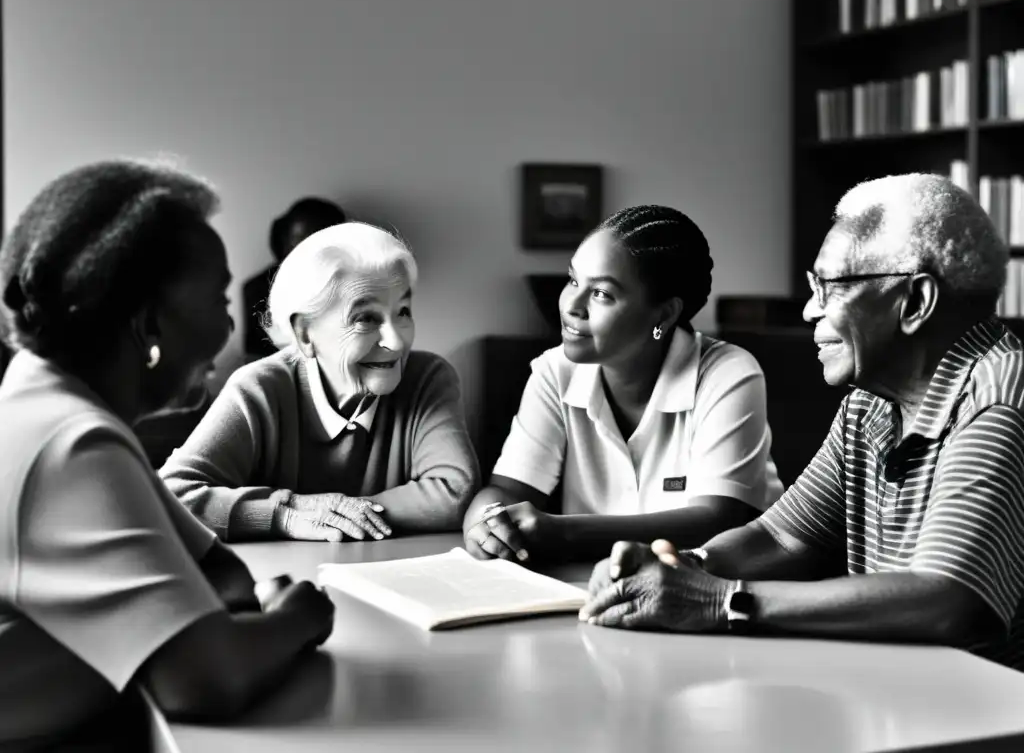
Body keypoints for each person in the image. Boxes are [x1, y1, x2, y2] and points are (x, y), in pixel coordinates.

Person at [581, 174, 1024, 672]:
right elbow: (781, 537)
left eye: (831, 287)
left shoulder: (999, 400)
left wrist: (719, 600)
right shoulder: (869, 405)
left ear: (916, 302)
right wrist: (682, 565)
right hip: (903, 697)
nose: (810, 310)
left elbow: (948, 599)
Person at [0, 160, 335, 750]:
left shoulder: (49, 398)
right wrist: (300, 618)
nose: (231, 326)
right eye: (216, 299)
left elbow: (222, 577)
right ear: (149, 322)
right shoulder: (71, 440)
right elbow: (203, 680)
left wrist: (222, 618)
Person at [462, 205, 784, 565]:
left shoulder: (729, 373)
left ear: (663, 314)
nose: (572, 306)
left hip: (715, 590)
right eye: (572, 281)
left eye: (601, 293)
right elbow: (507, 489)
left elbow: (718, 520)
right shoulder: (555, 371)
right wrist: (489, 524)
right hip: (589, 589)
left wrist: (563, 532)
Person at [160, 222, 480, 542]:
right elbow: (171, 498)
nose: (396, 342)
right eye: (366, 318)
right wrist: (285, 514)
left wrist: (344, 513)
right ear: (305, 334)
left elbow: (455, 492)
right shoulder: (258, 389)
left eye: (404, 311)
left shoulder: (427, 378)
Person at [242, 197, 347, 358]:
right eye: (300, 241)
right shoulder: (258, 289)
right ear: (284, 241)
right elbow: (254, 358)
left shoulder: (353, 285)